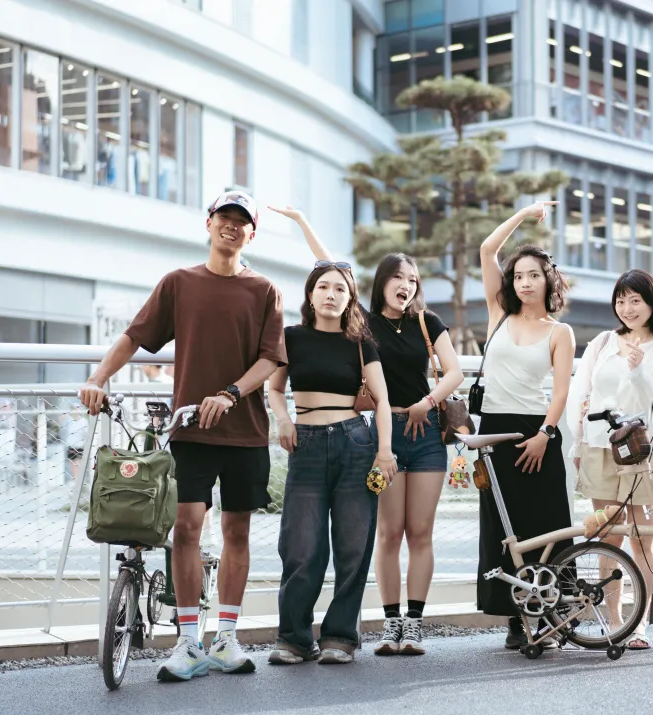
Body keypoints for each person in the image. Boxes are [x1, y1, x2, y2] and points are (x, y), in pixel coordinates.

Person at [79, 189, 284, 682]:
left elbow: (272, 358)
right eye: (224, 217)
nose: (231, 226)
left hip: (246, 431)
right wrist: (97, 378)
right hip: (190, 432)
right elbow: (135, 335)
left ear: (252, 233)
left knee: (237, 532)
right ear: (208, 223)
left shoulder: (264, 290)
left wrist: (231, 394)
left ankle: (227, 638)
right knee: (186, 529)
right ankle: (189, 641)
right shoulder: (179, 283)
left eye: (241, 221)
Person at [268, 205, 466, 657]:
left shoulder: (426, 322)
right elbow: (331, 273)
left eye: (413, 279)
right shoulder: (362, 323)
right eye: (398, 277)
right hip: (377, 431)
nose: (406, 285)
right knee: (382, 533)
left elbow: (453, 371)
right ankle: (385, 625)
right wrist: (302, 221)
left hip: (422, 432)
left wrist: (427, 402)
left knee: (415, 532)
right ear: (381, 282)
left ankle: (408, 626)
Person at [266, 260, 398, 665]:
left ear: (350, 298)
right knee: (300, 545)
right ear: (310, 294)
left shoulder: (361, 342)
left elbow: (383, 402)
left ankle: (340, 637)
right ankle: (294, 638)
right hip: (304, 443)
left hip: (354, 442)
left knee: (353, 544)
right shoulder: (291, 337)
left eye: (340, 289)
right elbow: (274, 389)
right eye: (323, 286)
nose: (331, 294)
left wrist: (384, 452)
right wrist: (283, 420)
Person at [476, 200, 576, 649]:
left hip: (538, 432)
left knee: (544, 527)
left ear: (548, 280)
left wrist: (544, 435)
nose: (525, 282)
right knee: (503, 530)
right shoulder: (499, 314)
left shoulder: (560, 332)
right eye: (518, 276)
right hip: (494, 432)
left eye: (534, 275)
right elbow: (487, 249)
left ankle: (553, 615)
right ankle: (516, 621)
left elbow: (560, 393)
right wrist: (523, 214)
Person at [565, 269, 653, 650]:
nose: (627, 308)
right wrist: (578, 443)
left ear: (652, 304)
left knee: (642, 535)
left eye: (635, 300)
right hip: (600, 447)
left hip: (640, 452)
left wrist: (638, 368)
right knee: (608, 534)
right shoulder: (602, 342)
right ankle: (615, 621)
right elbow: (581, 393)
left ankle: (641, 621)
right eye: (621, 300)